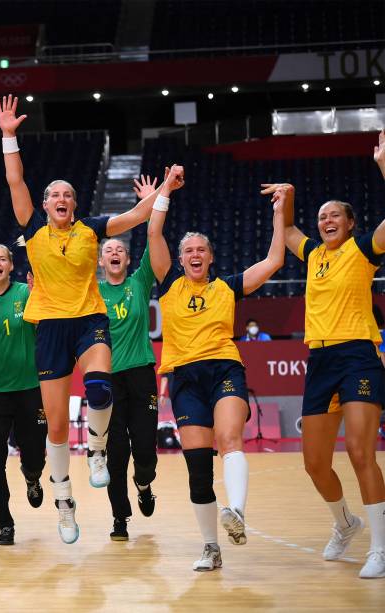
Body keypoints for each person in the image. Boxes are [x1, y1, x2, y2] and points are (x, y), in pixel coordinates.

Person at [0, 94, 159, 543]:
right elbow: (16, 183)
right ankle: (64, 502)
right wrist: (10, 136)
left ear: (74, 202)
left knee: (101, 389)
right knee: (52, 425)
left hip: (89, 318)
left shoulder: (91, 228)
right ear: (46, 205)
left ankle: (99, 448)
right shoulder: (32, 230)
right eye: (56, 195)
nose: (63, 198)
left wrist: (158, 196)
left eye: (69, 194)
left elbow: (134, 217)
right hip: (49, 326)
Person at [149, 165, 284, 571]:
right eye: (188, 250)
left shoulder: (227, 286)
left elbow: (275, 260)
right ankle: (211, 546)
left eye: (200, 250)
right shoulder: (169, 282)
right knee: (197, 470)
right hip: (184, 378)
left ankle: (237, 512)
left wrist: (280, 212)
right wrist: (166, 192)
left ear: (210, 257)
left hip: (225, 368)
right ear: (181, 257)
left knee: (229, 439)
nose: (194, 255)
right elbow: (154, 233)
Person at [269, 130, 385, 579]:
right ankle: (345, 524)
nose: (326, 220)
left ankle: (380, 545)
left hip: (357, 355)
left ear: (351, 223)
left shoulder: (362, 251)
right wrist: (290, 198)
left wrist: (381, 164)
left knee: (359, 451)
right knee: (314, 464)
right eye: (322, 216)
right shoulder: (314, 253)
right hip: (318, 361)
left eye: (335, 215)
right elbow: (291, 229)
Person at [98, 174, 162, 542]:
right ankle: (120, 517)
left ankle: (144, 483)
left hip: (140, 373)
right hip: (107, 379)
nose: (116, 253)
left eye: (120, 249)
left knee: (144, 445)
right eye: (109, 251)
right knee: (115, 452)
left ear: (126, 257)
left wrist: (152, 201)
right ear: (102, 261)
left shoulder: (140, 282)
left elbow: (153, 241)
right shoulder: (92, 293)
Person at [0, 244, 47, 546]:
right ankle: (5, 523)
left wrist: (39, 294)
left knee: (34, 455)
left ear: (11, 264)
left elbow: (47, 320)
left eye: (2, 258)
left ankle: (32, 476)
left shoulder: (25, 293)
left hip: (30, 390)